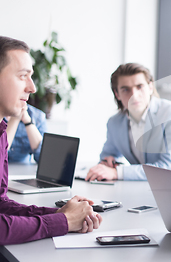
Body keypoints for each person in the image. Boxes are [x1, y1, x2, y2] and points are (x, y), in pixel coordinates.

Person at [0, 35, 103, 245]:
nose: (32, 88)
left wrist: (60, 213)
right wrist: (63, 221)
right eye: (22, 76)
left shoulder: (1, 132)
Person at [86, 63, 171, 181]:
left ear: (150, 87)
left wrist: (117, 172)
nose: (134, 95)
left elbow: (169, 169)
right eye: (126, 89)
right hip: (138, 188)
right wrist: (107, 163)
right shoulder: (114, 122)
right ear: (117, 94)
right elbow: (108, 155)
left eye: (139, 87)